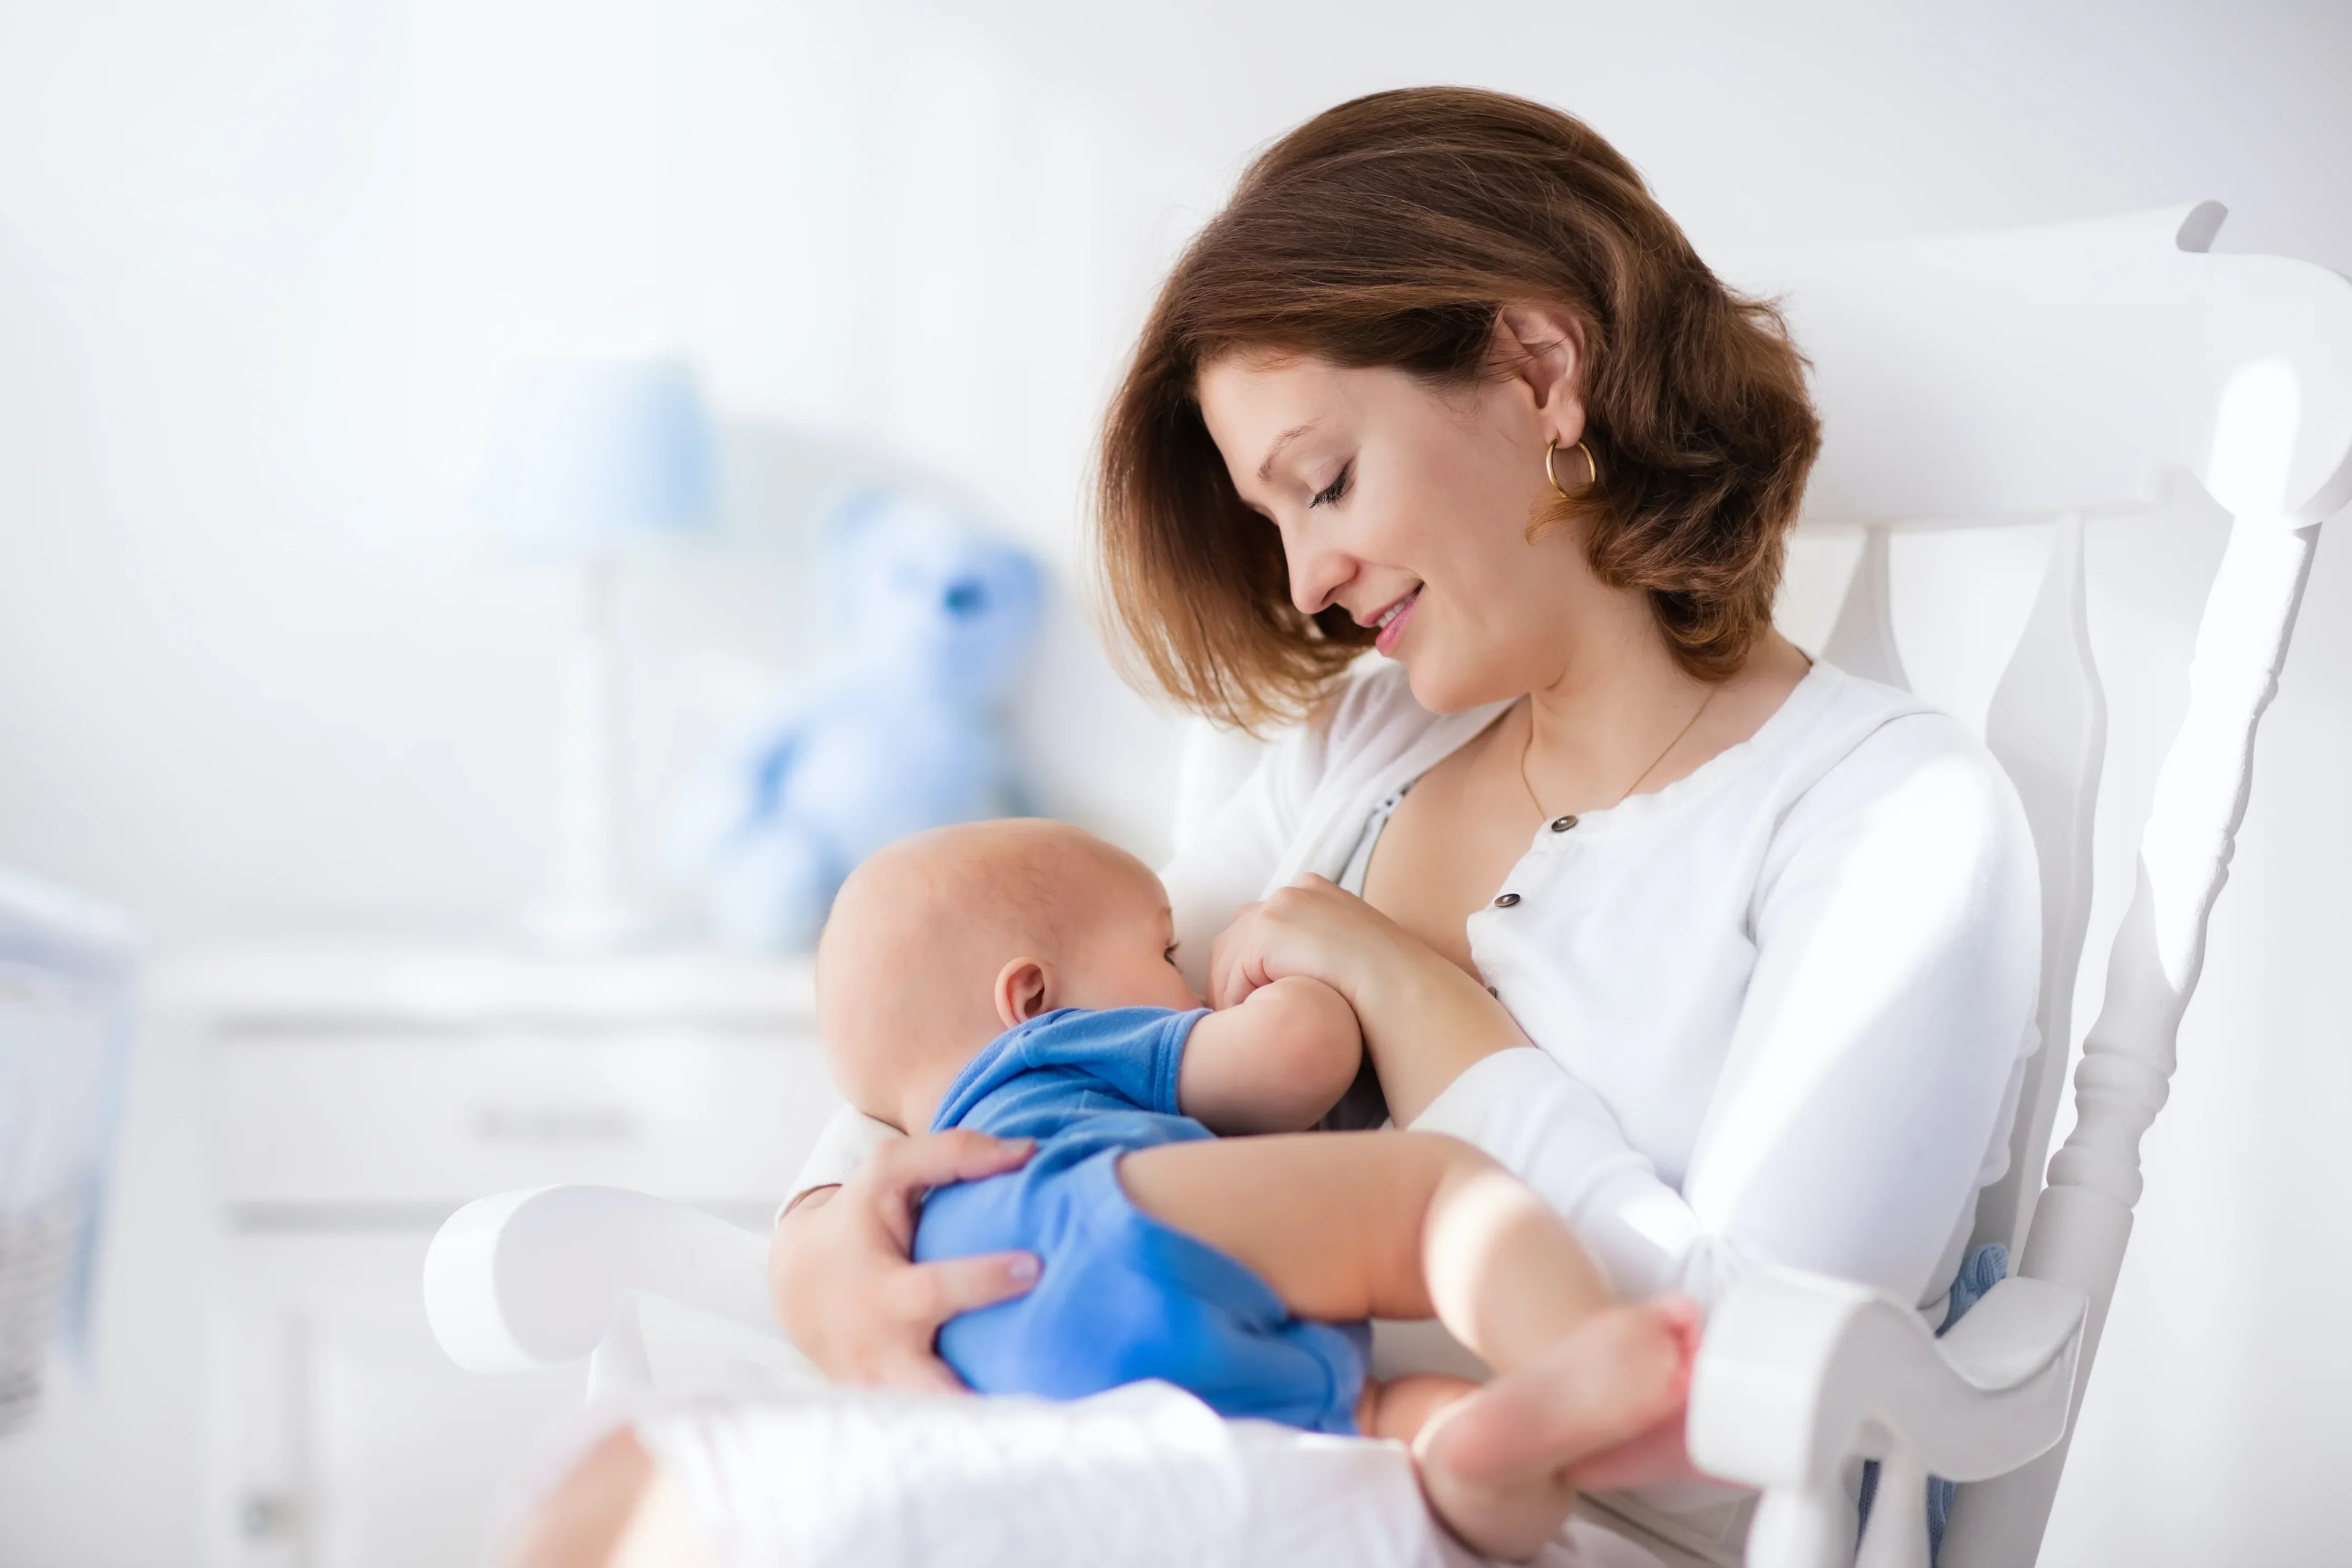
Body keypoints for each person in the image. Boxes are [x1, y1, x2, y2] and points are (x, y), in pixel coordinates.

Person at [508, 84, 2041, 1567]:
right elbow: (1025, 1010)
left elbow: (1749, 1394)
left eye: (1324, 481)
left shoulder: (1888, 818)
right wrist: (825, 1229)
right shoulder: (1361, 744)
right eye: (1274, 520)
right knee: (628, 1497)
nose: (1306, 579)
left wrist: (1420, 1004)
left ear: (1540, 369)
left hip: (1539, 1516)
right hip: (1175, 1459)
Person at [814, 816, 1701, 1559]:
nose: (1190, 980)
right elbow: (1299, 1060)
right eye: (1166, 951)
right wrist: (1293, 991)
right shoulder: (1054, 1047)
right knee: (1435, 1198)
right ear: (1033, 995)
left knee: (1371, 1423)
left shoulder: (918, 1187)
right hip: (1095, 1220)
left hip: (997, 1370)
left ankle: (1464, 1450)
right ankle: (1588, 1360)